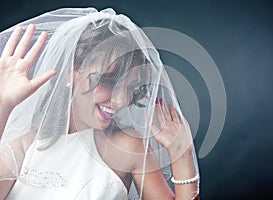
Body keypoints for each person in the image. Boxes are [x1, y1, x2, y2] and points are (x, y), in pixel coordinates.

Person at [0, 8, 200, 199]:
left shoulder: (129, 148)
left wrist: (182, 153)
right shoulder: (22, 144)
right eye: (109, 81)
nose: (121, 101)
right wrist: (3, 104)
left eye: (131, 89)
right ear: (73, 72)